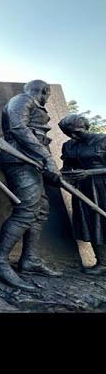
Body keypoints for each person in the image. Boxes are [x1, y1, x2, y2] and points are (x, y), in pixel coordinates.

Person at [0, 80, 62, 292]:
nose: (47, 98)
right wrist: (48, 159)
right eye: (48, 94)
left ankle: (30, 260)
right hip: (20, 160)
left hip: (32, 161)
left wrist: (45, 161)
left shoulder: (31, 103)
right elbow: (18, 128)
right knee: (26, 211)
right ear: (45, 91)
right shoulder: (22, 100)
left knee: (40, 211)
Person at [58, 114, 106, 275]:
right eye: (68, 133)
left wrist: (90, 172)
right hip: (84, 189)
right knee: (92, 223)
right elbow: (66, 169)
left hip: (103, 186)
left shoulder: (103, 140)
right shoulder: (69, 146)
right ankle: (102, 263)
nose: (73, 136)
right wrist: (59, 176)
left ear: (87, 127)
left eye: (77, 132)